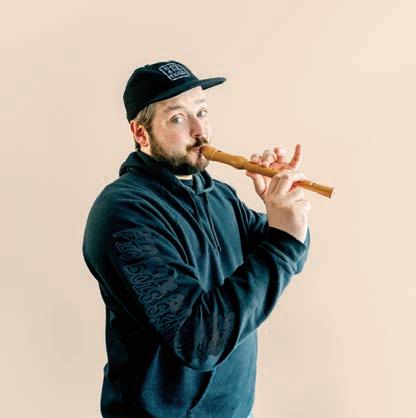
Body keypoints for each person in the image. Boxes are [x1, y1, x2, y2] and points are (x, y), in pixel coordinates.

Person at [82, 60, 311, 418]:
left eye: (201, 112)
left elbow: (291, 255)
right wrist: (283, 239)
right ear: (141, 133)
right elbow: (199, 340)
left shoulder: (220, 196)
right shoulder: (123, 213)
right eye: (177, 118)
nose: (199, 130)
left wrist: (285, 207)